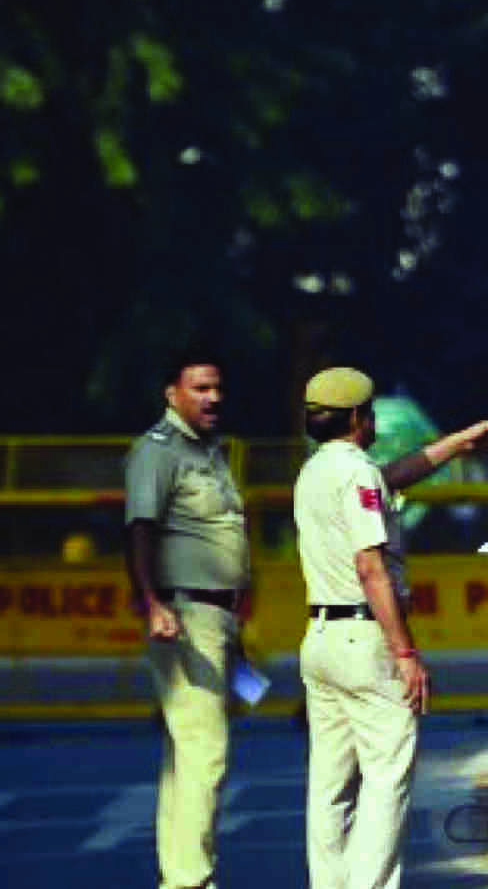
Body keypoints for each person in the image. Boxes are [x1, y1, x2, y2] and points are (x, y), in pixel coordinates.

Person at [294, 366, 488, 888]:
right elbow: (371, 568)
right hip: (365, 639)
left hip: (321, 637)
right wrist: (406, 653)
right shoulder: (357, 474)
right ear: (356, 418)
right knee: (386, 777)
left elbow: (395, 476)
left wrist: (460, 441)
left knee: (330, 785)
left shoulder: (317, 472)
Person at [124, 348, 248, 889]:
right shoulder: (158, 451)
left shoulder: (209, 452)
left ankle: (180, 878)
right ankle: (192, 881)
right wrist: (152, 602)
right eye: (200, 388)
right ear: (171, 394)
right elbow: (139, 529)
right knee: (206, 752)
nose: (213, 398)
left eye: (217, 387)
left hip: (216, 616)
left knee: (188, 757)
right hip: (184, 612)